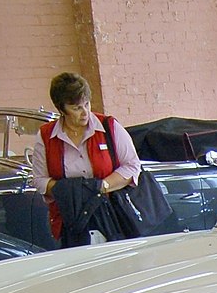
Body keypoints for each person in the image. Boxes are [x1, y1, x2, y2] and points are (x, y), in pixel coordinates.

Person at [29, 71, 142, 246]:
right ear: (61, 109)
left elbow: (132, 166)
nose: (85, 112)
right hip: (70, 221)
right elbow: (39, 180)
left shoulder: (109, 127)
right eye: (76, 108)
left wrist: (100, 187)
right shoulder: (46, 136)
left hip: (112, 217)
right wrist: (72, 191)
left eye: (87, 104)